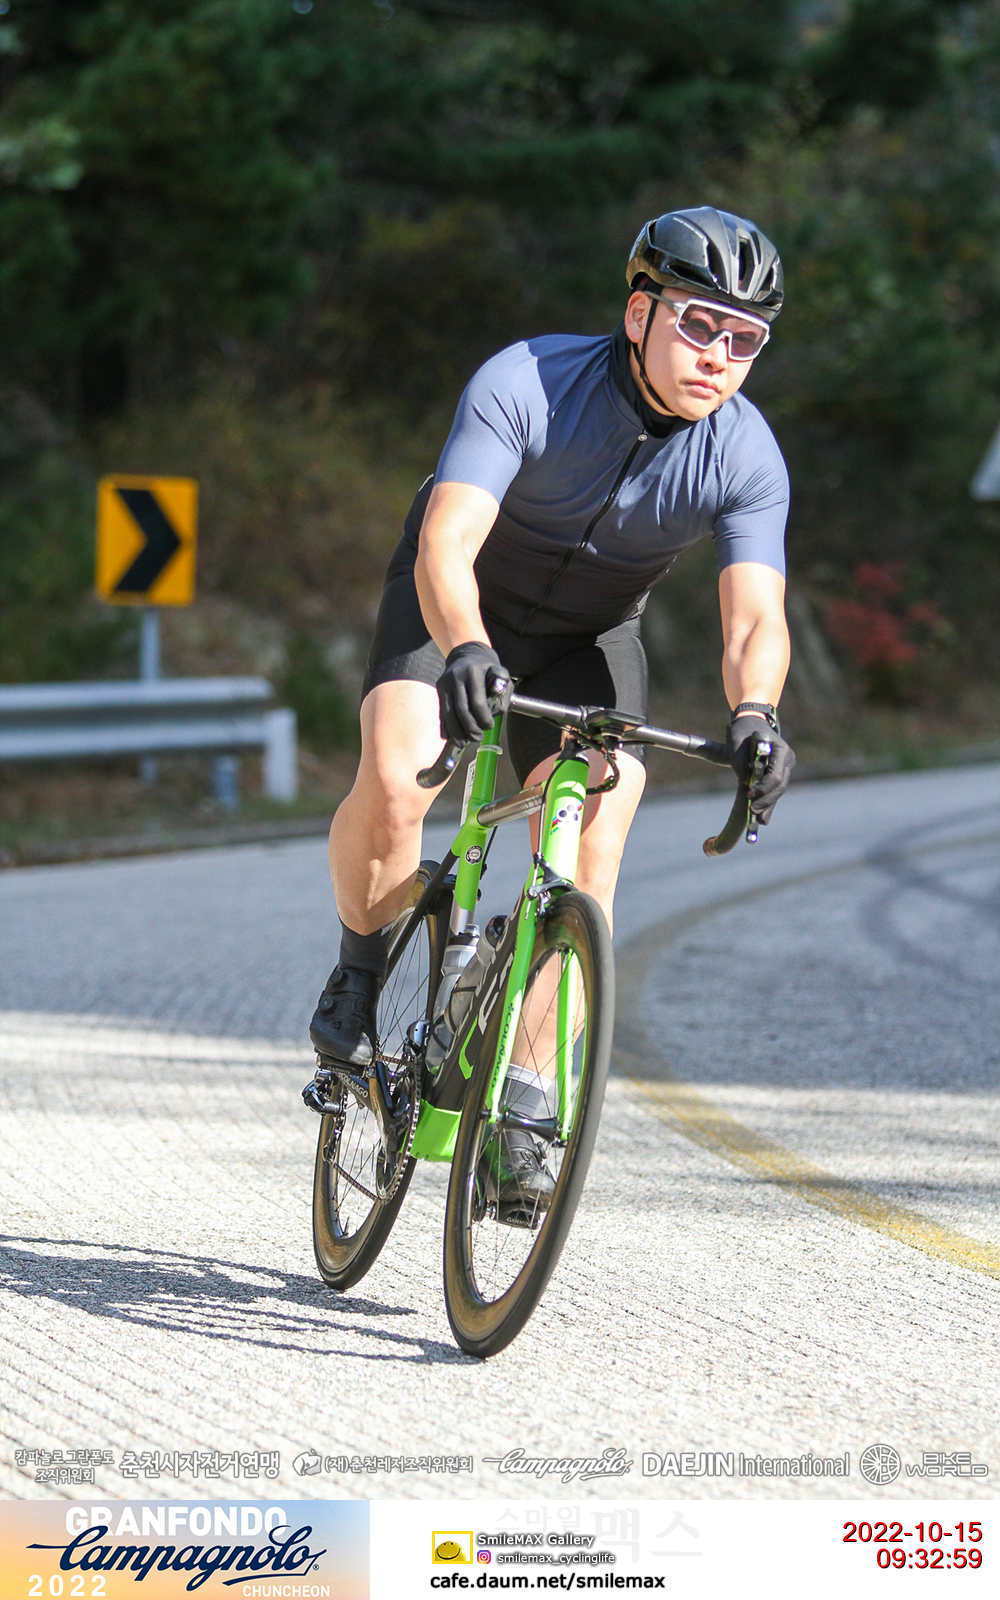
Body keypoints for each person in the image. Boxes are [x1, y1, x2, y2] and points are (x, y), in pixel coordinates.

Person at [309, 206, 796, 1200]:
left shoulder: (746, 454)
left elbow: (754, 618)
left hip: (586, 639)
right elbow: (447, 541)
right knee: (399, 777)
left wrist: (757, 714)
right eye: (699, 324)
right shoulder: (527, 380)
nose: (719, 355)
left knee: (594, 841)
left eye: (745, 339)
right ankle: (357, 977)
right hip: (456, 602)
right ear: (638, 313)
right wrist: (467, 646)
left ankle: (525, 1100)